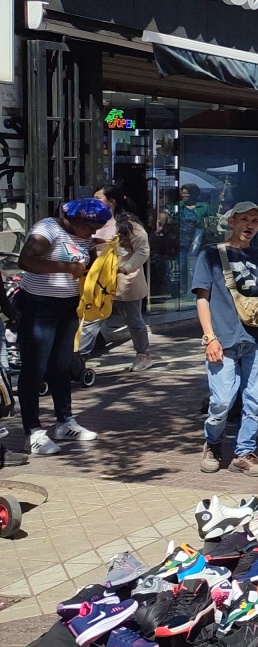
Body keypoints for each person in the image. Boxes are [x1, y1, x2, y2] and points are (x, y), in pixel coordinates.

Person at [12, 197, 108, 457]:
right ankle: (33, 432)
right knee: (35, 368)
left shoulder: (84, 236)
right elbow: (26, 261)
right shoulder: (47, 230)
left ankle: (64, 422)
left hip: (67, 307)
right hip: (38, 306)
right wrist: (66, 267)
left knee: (62, 365)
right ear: (77, 219)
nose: (95, 231)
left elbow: (83, 261)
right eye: (92, 226)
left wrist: (96, 255)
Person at [193, 201, 258, 478]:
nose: (250, 225)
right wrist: (209, 338)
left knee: (255, 400)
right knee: (222, 401)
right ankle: (214, 444)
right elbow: (202, 299)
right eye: (244, 219)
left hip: (256, 340)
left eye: (255, 221)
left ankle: (244, 452)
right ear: (231, 222)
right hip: (224, 340)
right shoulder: (210, 255)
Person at [80, 184, 153, 371]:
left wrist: (126, 268)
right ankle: (79, 358)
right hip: (97, 280)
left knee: (133, 320)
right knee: (91, 319)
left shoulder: (129, 225)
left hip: (124, 281)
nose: (94, 202)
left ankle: (142, 354)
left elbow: (142, 251)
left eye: (99, 198)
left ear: (111, 202)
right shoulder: (91, 221)